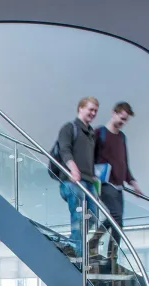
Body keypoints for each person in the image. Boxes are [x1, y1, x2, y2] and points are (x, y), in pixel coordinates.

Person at [90, 102, 144, 265]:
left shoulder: (121, 137)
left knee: (118, 222)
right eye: (121, 118)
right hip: (105, 183)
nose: (123, 123)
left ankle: (106, 252)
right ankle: (104, 251)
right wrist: (91, 175)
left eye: (125, 120)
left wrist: (133, 182)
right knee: (116, 217)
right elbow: (88, 155)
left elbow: (123, 162)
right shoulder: (100, 133)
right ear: (114, 113)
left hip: (119, 186)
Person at [54, 97, 101, 259]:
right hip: (72, 181)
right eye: (90, 109)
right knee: (79, 217)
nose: (93, 113)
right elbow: (64, 150)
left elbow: (89, 158)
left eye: (95, 110)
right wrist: (73, 170)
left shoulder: (91, 134)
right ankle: (79, 257)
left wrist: (93, 174)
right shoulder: (69, 128)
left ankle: (71, 245)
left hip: (88, 182)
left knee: (93, 217)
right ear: (80, 108)